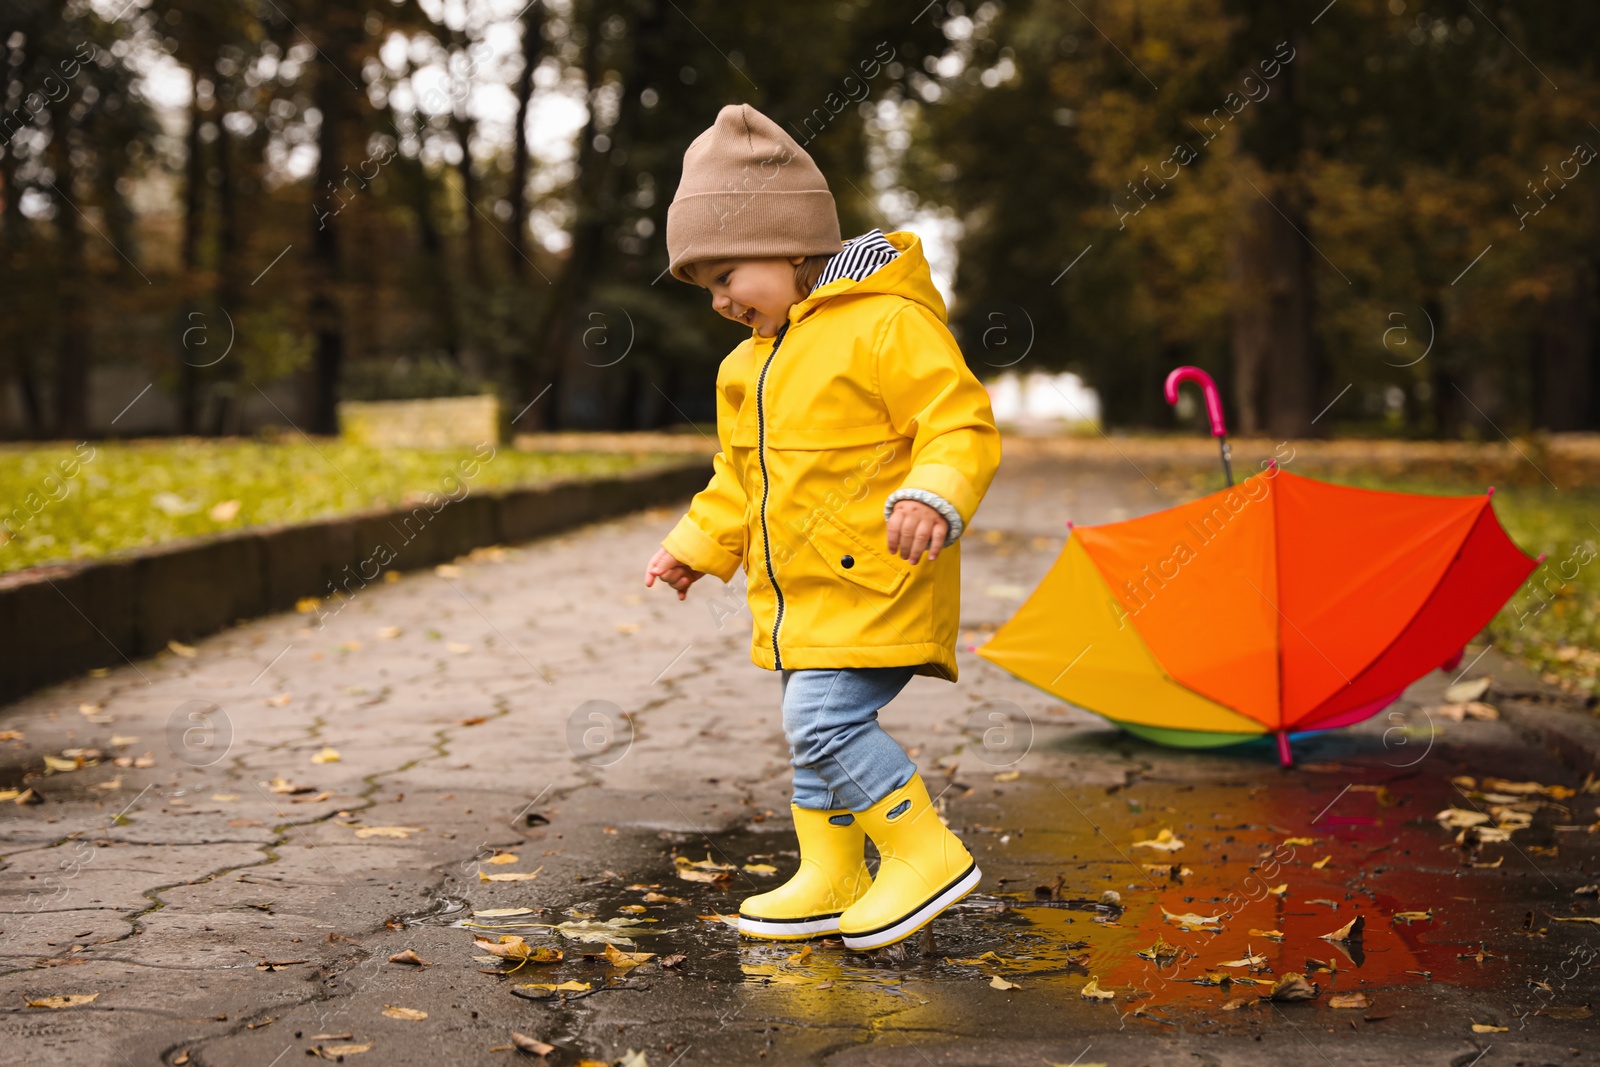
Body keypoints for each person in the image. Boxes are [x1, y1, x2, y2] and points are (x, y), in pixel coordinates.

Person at [642, 103, 1002, 951]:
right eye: (706, 289)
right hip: (800, 600)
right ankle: (832, 871)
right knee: (809, 736)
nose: (722, 300)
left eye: (727, 273)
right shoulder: (748, 367)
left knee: (824, 723)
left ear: (791, 241)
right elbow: (739, 478)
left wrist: (932, 494)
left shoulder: (887, 324)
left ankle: (925, 852)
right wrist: (696, 546)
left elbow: (958, 424)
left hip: (878, 577)